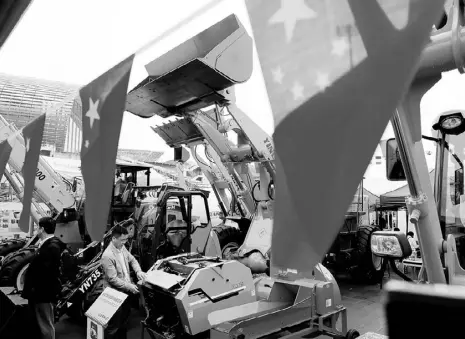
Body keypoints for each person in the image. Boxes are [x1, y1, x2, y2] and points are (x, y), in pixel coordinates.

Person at [22, 217, 65, 339]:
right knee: (41, 323)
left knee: (45, 325)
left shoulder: (51, 247)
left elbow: (47, 273)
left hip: (43, 294)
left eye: (37, 227)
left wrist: (34, 288)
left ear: (42, 229)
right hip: (40, 293)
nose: (36, 230)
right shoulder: (48, 245)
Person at [101, 226, 146, 339]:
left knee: (123, 322)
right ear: (113, 239)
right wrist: (130, 286)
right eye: (122, 240)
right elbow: (113, 279)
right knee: (114, 326)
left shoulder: (122, 248)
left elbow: (132, 260)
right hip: (114, 295)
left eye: (126, 239)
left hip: (125, 292)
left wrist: (138, 271)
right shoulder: (107, 255)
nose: (125, 242)